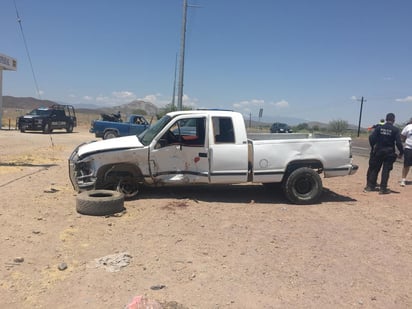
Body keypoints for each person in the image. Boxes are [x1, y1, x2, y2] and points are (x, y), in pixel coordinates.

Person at [364, 113, 403, 194]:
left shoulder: (379, 128)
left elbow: (371, 138)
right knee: (386, 170)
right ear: (394, 120)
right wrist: (401, 152)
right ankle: (383, 189)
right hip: (389, 152)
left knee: (375, 169)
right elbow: (398, 142)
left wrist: (373, 147)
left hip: (378, 151)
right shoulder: (395, 130)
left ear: (386, 119)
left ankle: (370, 187)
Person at [400, 118, 412, 186]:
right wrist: (404, 140)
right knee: (406, 165)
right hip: (409, 148)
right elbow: (402, 135)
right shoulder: (408, 127)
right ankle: (403, 179)